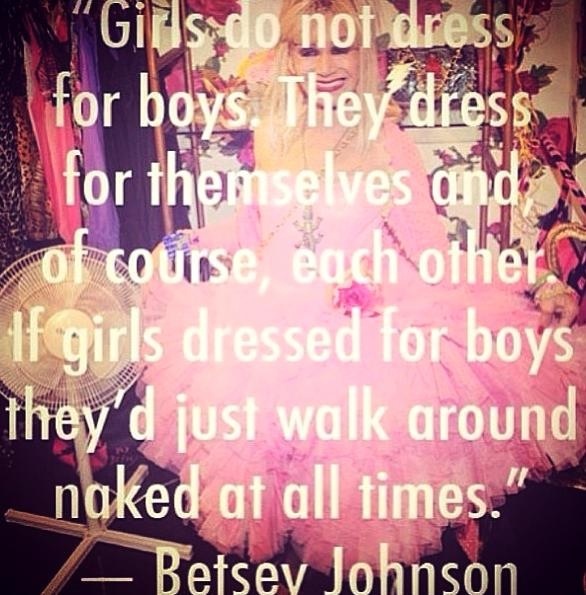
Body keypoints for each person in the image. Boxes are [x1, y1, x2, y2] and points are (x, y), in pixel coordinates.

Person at [140, 0, 586, 578]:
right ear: (289, 55)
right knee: (273, 512)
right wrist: (187, 242)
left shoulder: (386, 141)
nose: (326, 65)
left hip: (356, 350)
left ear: (363, 54)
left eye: (341, 46)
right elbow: (258, 229)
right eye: (308, 49)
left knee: (349, 526)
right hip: (264, 335)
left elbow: (434, 255)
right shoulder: (273, 131)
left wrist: (533, 277)